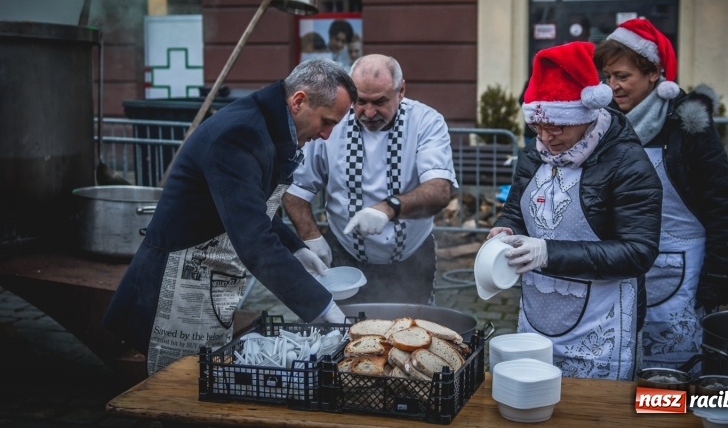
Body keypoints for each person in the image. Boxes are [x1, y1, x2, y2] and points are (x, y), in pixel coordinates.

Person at [103, 59, 358, 375]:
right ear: (299, 101)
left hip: (213, 284)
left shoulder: (269, 127)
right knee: (178, 385)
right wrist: (322, 304)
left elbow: (250, 206)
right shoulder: (240, 133)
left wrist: (295, 248)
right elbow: (252, 237)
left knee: (206, 378)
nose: (327, 135)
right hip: (175, 288)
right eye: (327, 121)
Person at [487, 41, 662, 380]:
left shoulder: (627, 163)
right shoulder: (534, 153)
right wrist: (505, 228)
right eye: (538, 127)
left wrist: (547, 253)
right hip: (537, 315)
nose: (547, 138)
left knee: (591, 406)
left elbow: (638, 252)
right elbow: (516, 211)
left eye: (558, 127)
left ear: (586, 115)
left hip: (602, 324)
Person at [594, 19, 728, 373]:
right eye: (608, 76)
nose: (613, 86)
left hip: (682, 267)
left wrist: (718, 276)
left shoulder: (687, 127)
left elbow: (721, 205)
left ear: (654, 72)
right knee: (622, 364)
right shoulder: (605, 124)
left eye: (622, 76)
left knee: (671, 374)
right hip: (624, 267)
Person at [283, 54, 457, 305]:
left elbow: (439, 190)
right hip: (344, 253)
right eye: (360, 101)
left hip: (411, 257)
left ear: (401, 91)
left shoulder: (425, 122)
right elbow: (297, 188)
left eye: (380, 101)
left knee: (411, 325)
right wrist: (311, 237)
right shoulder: (334, 121)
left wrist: (388, 208)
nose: (369, 112)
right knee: (341, 326)